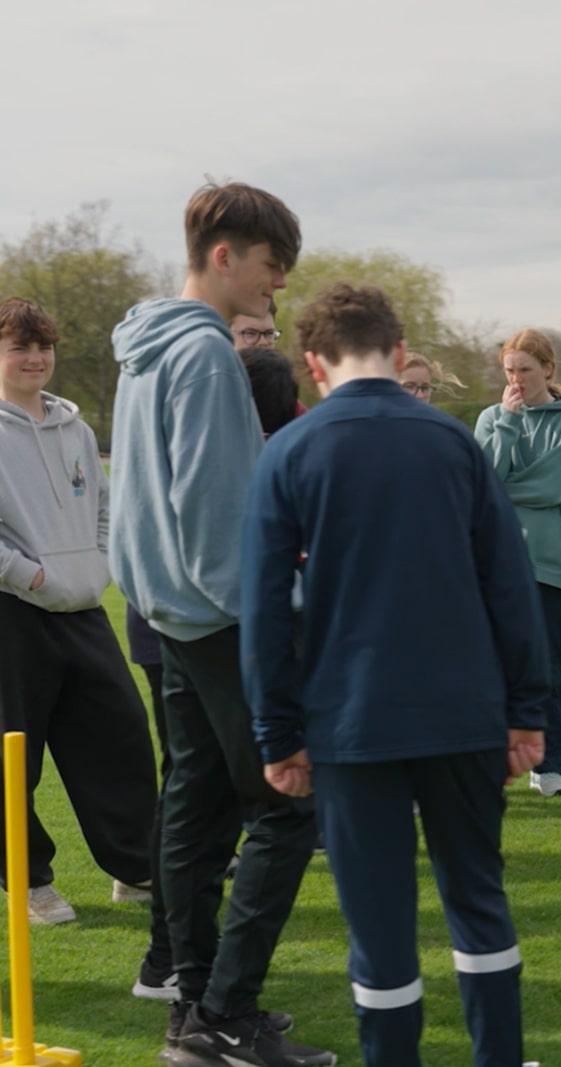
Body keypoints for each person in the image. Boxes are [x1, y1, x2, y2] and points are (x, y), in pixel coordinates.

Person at [241, 282, 551, 1067]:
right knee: (479, 905)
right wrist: (526, 709)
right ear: (402, 349)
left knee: (379, 929)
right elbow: (511, 586)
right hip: (464, 715)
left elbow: (267, 610)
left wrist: (277, 733)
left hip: (351, 726)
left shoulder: (288, 450)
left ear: (313, 363)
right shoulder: (452, 442)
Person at [109, 181, 335, 1067]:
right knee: (291, 802)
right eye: (271, 270)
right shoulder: (201, 354)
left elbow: (135, 508)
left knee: (198, 812)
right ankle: (224, 1017)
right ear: (223, 255)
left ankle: (196, 1011)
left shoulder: (143, 347)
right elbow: (210, 513)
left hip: (169, 615)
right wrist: (267, 622)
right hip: (219, 617)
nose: (274, 290)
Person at [0, 296, 158, 925]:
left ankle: (135, 867)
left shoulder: (76, 427)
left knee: (118, 736)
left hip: (83, 606)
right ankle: (30, 882)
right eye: (20, 347)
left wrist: (95, 566)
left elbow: (101, 506)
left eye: (44, 346)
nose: (36, 358)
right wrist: (30, 575)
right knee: (15, 754)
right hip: (12, 612)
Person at [474, 328, 561, 796]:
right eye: (509, 370)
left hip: (548, 563)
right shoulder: (491, 417)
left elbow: (549, 487)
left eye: (525, 369)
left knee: (546, 671)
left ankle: (548, 769)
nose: (517, 378)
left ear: (547, 369)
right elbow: (478, 483)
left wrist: (499, 489)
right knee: (487, 669)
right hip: (492, 563)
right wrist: (505, 422)